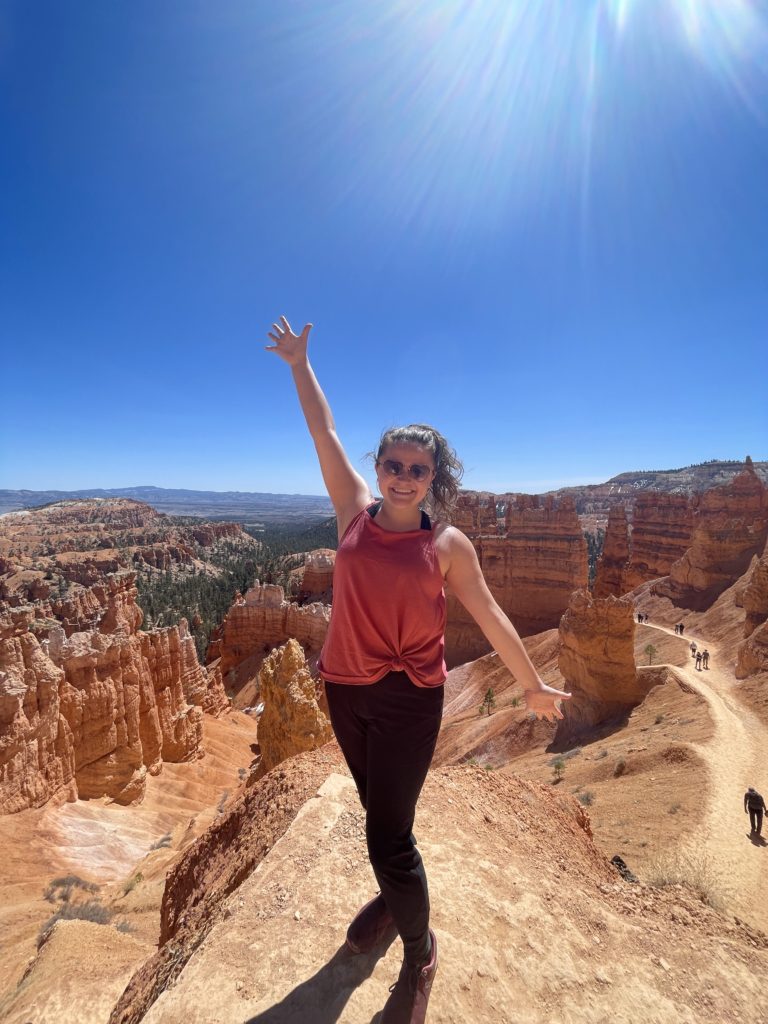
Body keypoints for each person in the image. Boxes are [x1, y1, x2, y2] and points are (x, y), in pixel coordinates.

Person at [266, 317, 571, 1024]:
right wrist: (299, 365)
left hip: (410, 700)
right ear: (378, 469)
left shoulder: (450, 545)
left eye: (418, 470)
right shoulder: (352, 514)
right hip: (345, 689)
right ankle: (393, 895)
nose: (403, 478)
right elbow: (324, 432)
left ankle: (418, 952)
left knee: (387, 834)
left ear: (435, 480)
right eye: (394, 465)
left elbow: (493, 617)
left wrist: (530, 683)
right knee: (383, 818)